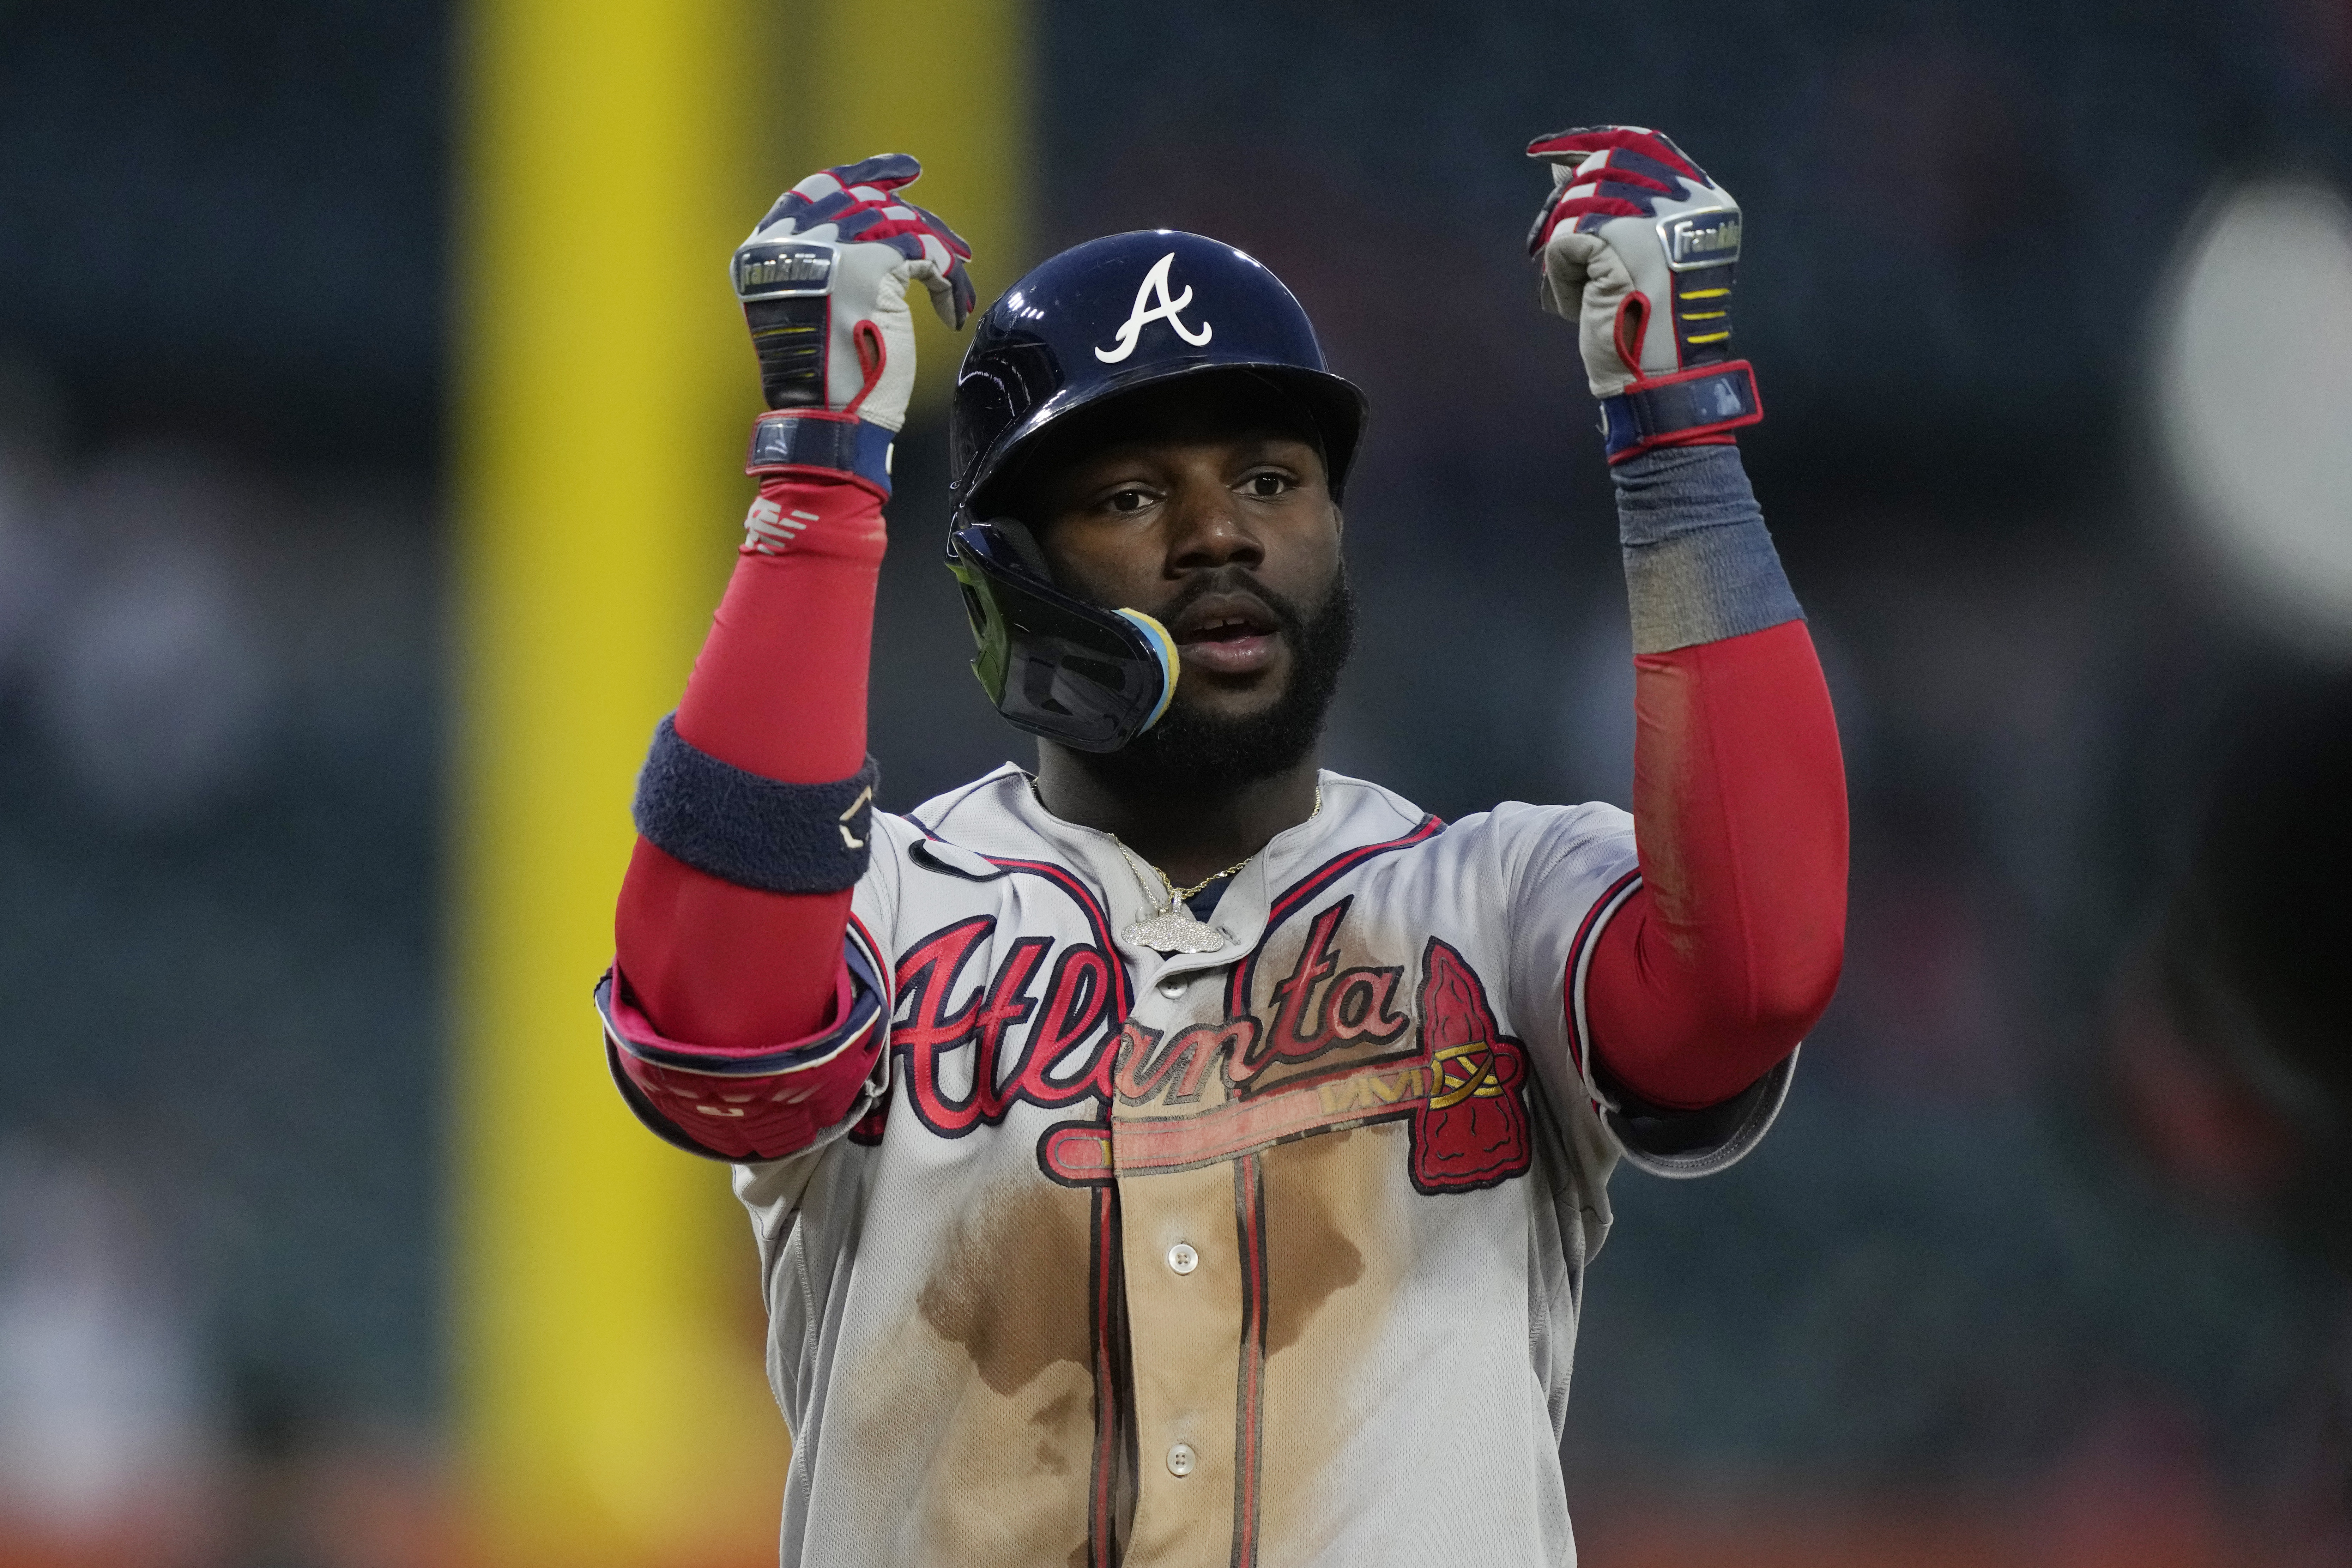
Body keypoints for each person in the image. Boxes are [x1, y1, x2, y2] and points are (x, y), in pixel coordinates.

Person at [601, 128, 1846, 1567]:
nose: (1217, 534)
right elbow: (711, 1023)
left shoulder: (1494, 900)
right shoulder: (881, 901)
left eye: (1270, 479)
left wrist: (1675, 441)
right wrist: (818, 479)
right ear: (1008, 581)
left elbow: (1748, 977)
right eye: (1129, 496)